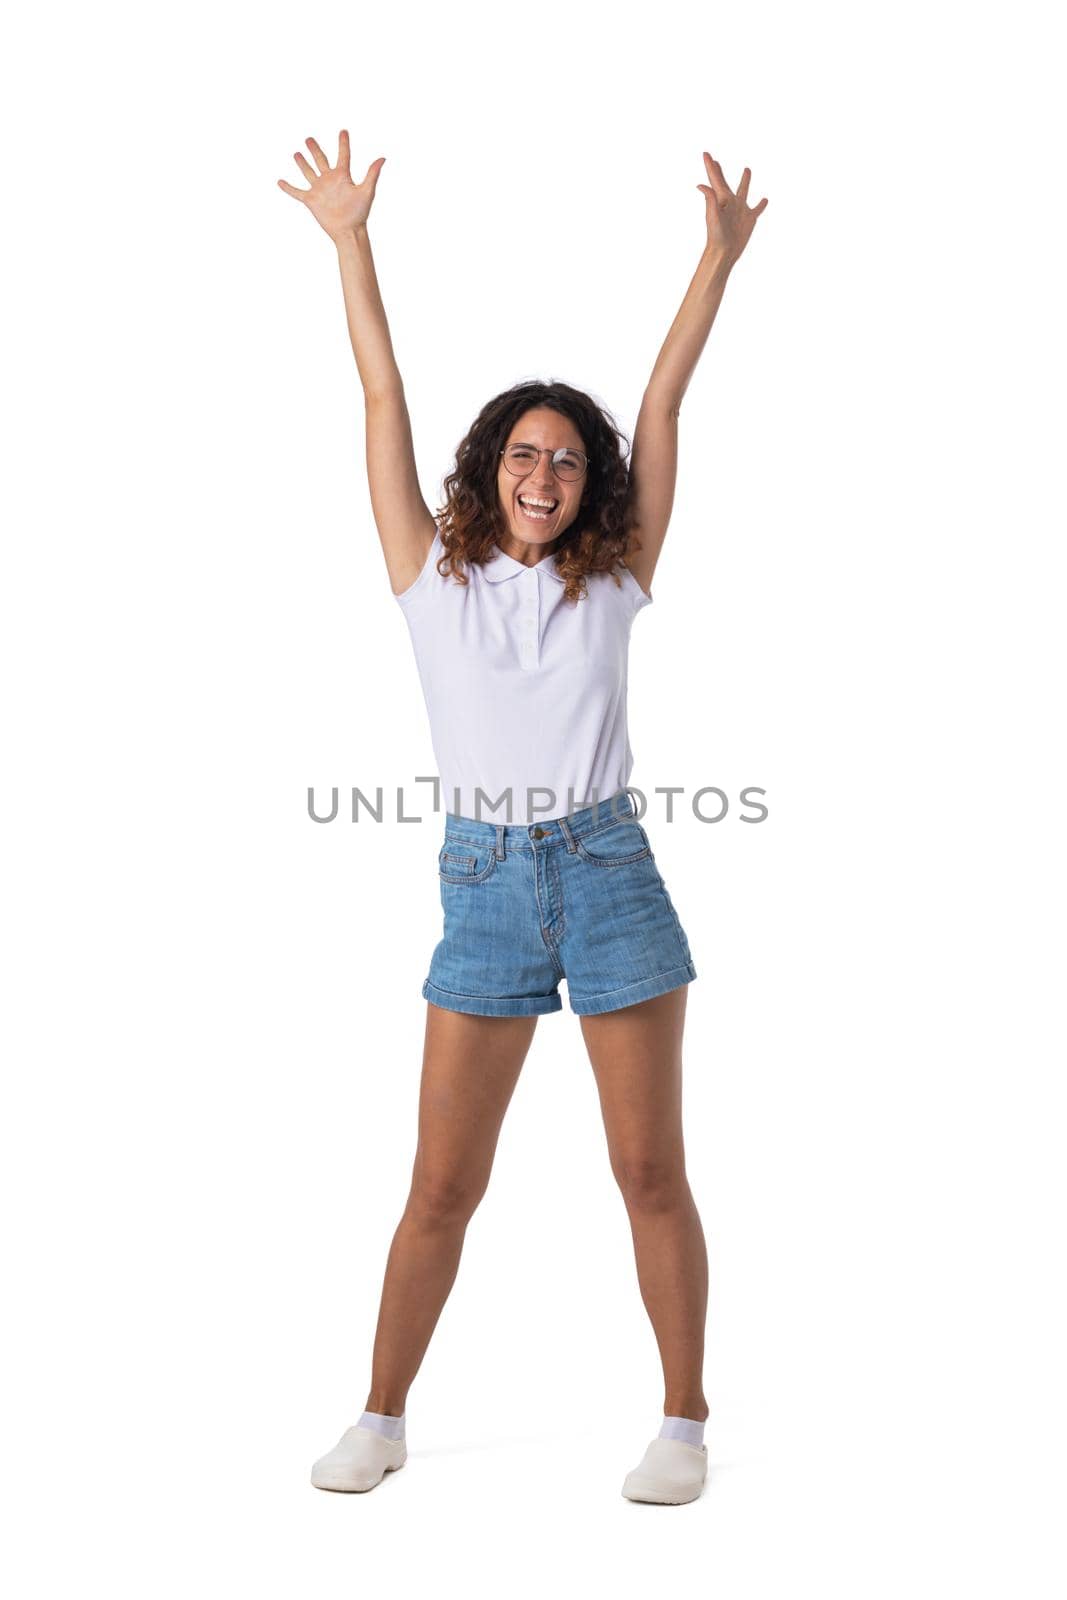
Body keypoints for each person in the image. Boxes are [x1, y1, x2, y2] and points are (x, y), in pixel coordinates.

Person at [278, 131, 767, 1504]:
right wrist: (350, 240)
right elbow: (380, 389)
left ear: (586, 482)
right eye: (522, 454)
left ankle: (683, 1423)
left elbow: (663, 407)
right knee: (441, 1183)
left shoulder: (613, 584)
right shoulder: (430, 580)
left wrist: (714, 260)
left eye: (566, 460)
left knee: (647, 1168)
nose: (544, 475)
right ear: (489, 468)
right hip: (483, 884)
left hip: (610, 871)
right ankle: (380, 1415)